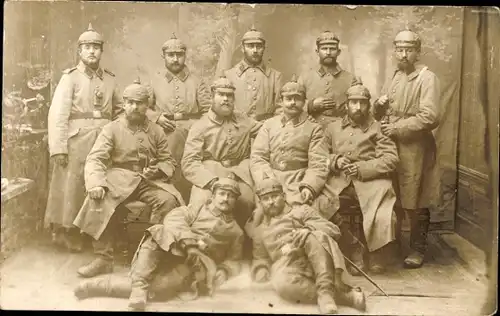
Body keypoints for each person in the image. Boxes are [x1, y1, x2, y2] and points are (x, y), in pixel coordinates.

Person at [73, 176, 244, 312]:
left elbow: (234, 260)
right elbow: (174, 218)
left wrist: (224, 271)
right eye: (222, 194)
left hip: (192, 265)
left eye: (231, 196)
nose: (225, 199)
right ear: (213, 196)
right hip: (174, 247)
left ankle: (96, 287)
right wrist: (189, 242)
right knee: (159, 232)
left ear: (235, 201)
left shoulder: (236, 232)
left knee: (160, 290)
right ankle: (139, 285)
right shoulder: (197, 209)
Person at [73, 79, 184, 278]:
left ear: (147, 106)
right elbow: (95, 158)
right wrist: (96, 182)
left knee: (169, 201)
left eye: (139, 103)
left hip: (149, 181)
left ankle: (151, 255)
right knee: (98, 198)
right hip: (118, 178)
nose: (134, 107)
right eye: (130, 102)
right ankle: (103, 258)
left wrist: (158, 170)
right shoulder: (112, 129)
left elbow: (169, 161)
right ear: (123, 104)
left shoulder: (157, 131)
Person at [44, 23, 123, 252]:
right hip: (76, 141)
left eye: (96, 47)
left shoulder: (110, 79)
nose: (92, 51)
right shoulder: (70, 78)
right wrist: (58, 148)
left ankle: (93, 232)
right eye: (87, 47)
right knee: (73, 186)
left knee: (99, 184)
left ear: (101, 51)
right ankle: (67, 232)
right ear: (79, 51)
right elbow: (58, 114)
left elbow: (119, 111)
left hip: (104, 141)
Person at [314, 82, 399, 275]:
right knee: (320, 201)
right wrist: (336, 160)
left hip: (370, 180)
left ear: (369, 105)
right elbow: (318, 153)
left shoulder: (377, 128)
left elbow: (391, 159)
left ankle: (376, 252)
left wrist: (362, 168)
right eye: (353, 102)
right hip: (339, 180)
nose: (358, 107)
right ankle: (353, 246)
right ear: (346, 105)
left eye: (362, 103)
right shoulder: (332, 128)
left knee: (382, 203)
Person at [372, 29, 441, 269]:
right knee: (395, 195)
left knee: (417, 198)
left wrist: (398, 128)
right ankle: (396, 243)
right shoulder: (395, 76)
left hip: (415, 147)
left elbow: (430, 116)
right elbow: (382, 111)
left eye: (409, 50)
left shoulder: (426, 77)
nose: (403, 54)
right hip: (392, 146)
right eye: (399, 49)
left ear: (418, 52)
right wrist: (378, 106)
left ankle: (417, 249)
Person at [250, 177, 366, 314]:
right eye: (266, 199)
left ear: (283, 196)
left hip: (317, 260)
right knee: (281, 285)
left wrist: (308, 229)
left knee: (314, 236)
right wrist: (261, 269)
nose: (271, 202)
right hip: (289, 267)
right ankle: (346, 297)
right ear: (260, 202)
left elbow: (333, 229)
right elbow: (260, 257)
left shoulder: (301, 211)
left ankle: (325, 294)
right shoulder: (260, 230)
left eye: (274, 196)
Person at [181, 75, 262, 230]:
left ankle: (242, 243)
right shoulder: (200, 126)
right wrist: (212, 181)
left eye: (229, 95)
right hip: (210, 174)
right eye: (221, 94)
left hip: (240, 173)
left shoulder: (243, 119)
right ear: (212, 97)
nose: (226, 99)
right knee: (204, 204)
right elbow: (189, 163)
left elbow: (266, 129)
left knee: (246, 201)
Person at [146, 33, 211, 202]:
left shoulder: (197, 80)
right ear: (164, 56)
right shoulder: (154, 79)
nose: (175, 59)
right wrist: (157, 117)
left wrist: (200, 128)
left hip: (192, 132)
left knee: (192, 169)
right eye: (171, 55)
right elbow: (143, 107)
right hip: (164, 131)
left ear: (185, 56)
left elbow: (207, 110)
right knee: (166, 169)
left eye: (179, 55)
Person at [250, 75, 329, 208]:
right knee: (262, 213)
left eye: (297, 99)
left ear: (304, 102)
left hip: (298, 180)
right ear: (281, 101)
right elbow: (258, 157)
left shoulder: (314, 128)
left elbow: (319, 163)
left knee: (299, 212)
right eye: (288, 99)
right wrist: (267, 180)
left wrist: (309, 186)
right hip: (270, 178)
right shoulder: (269, 125)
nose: (292, 102)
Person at [298, 31, 359, 128]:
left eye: (332, 49)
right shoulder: (305, 78)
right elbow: (292, 104)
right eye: (324, 49)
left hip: (340, 131)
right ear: (317, 52)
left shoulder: (350, 79)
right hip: (310, 129)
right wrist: (311, 105)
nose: (328, 52)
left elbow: (359, 108)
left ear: (338, 52)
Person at [224, 27, 283, 121]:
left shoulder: (275, 76)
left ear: (264, 48)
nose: (255, 50)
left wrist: (269, 128)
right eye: (250, 46)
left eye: (259, 46)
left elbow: (281, 109)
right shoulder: (229, 75)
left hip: (265, 130)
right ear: (242, 48)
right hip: (238, 129)